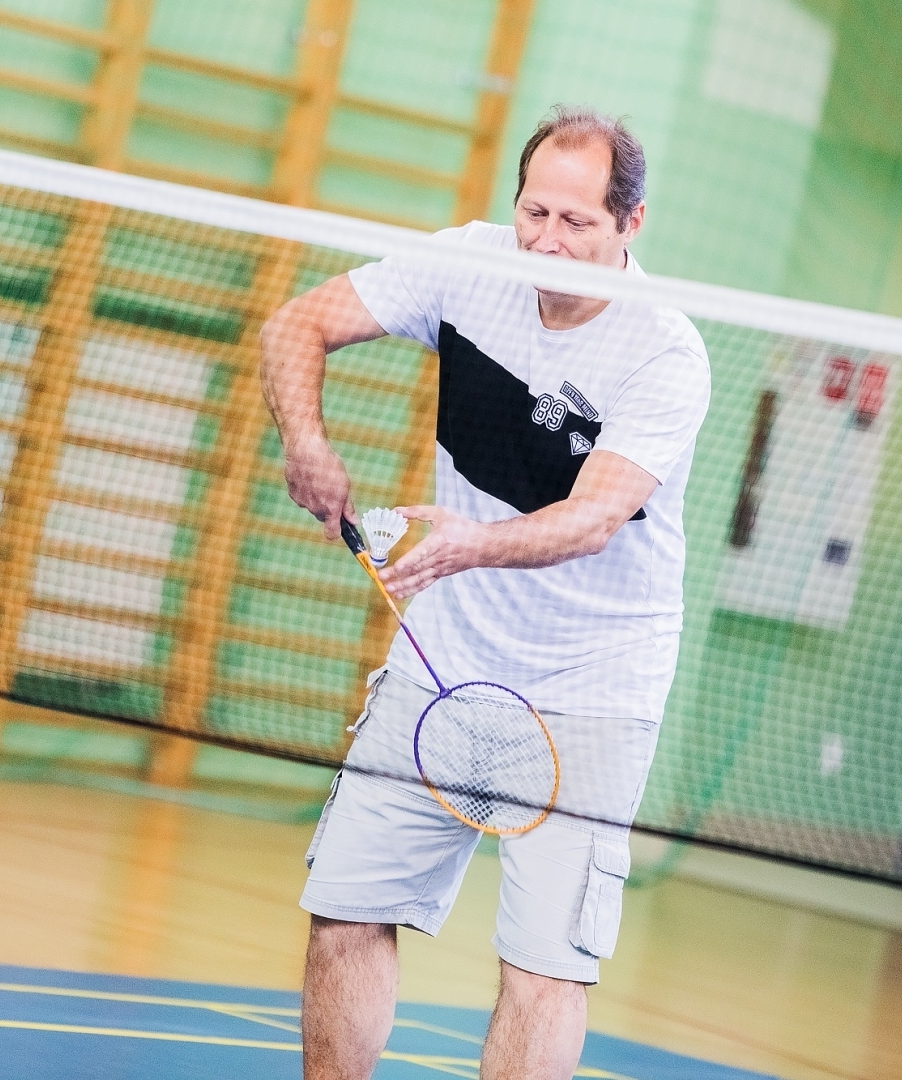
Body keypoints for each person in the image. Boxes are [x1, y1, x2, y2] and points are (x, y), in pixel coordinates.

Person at [259, 105, 710, 1080]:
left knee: (543, 971)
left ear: (632, 226)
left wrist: (473, 545)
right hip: (445, 660)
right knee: (344, 918)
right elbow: (297, 324)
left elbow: (592, 518)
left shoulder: (663, 355)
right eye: (533, 213)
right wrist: (307, 441)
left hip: (591, 688)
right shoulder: (471, 265)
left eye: (576, 223)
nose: (546, 243)